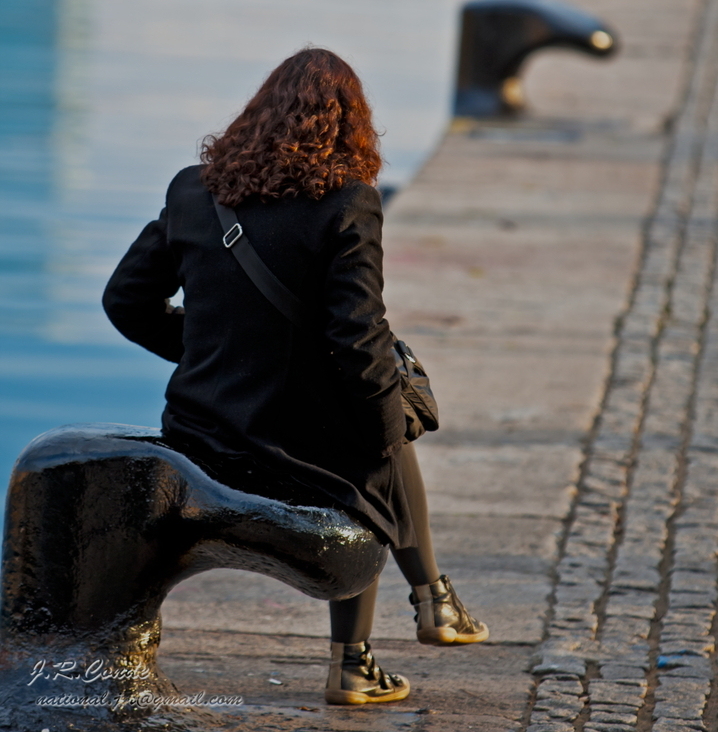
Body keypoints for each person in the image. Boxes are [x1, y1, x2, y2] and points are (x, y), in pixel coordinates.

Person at [102, 47, 489, 706]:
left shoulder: (193, 189)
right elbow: (357, 339)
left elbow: (125, 302)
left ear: (256, 115)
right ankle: (406, 620)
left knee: (364, 424)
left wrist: (204, 353)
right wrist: (387, 431)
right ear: (353, 126)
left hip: (202, 434)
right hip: (291, 443)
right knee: (373, 434)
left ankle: (413, 619)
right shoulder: (347, 203)